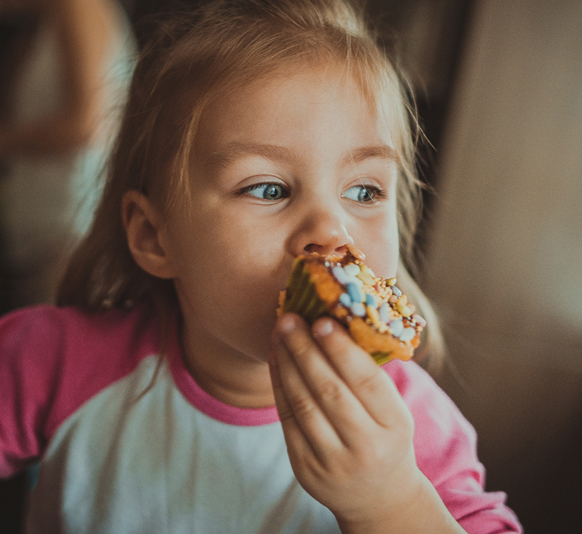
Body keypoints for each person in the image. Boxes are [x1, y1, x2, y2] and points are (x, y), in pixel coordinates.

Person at [0, 0, 523, 532]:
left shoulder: (408, 425)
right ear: (155, 236)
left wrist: (392, 502)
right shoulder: (57, 362)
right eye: (269, 189)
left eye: (364, 191)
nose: (330, 233)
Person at [0, 0, 134, 306]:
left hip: (73, 228)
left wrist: (4, 140)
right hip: (53, 231)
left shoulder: (79, 6)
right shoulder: (45, 24)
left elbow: (85, 124)